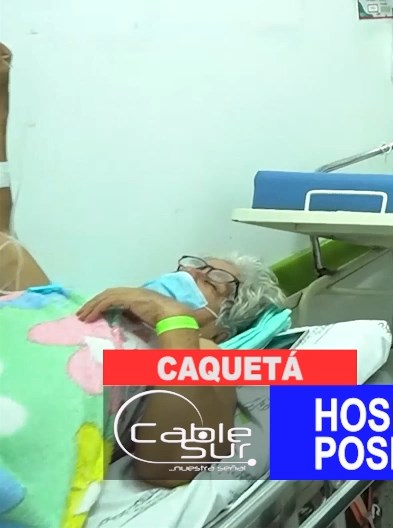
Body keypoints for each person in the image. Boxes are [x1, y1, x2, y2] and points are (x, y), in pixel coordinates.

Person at [0, 43, 285, 528]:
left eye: (215, 281)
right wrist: (2, 102)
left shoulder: (204, 355)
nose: (192, 275)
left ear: (226, 324)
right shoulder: (69, 310)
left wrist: (172, 321)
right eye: (193, 265)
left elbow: (168, 464)